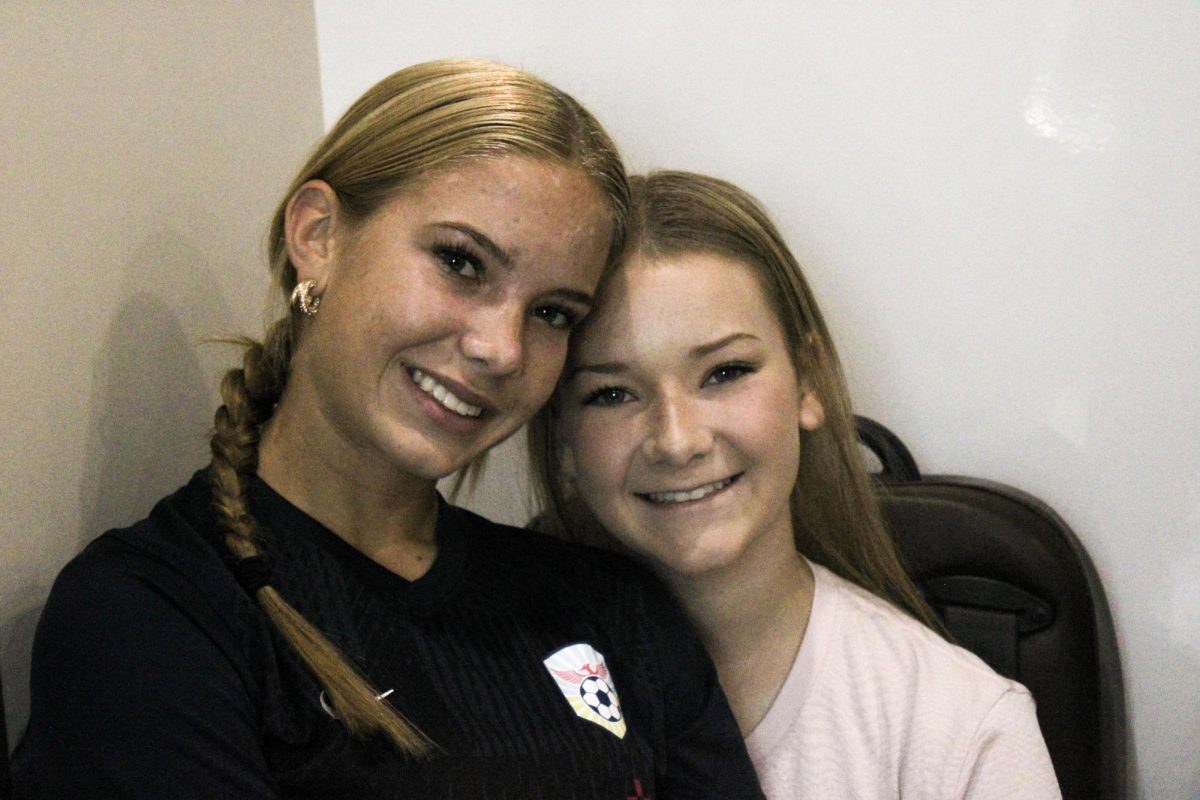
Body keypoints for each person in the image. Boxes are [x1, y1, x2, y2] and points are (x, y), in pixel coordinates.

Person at [12, 64, 764, 799]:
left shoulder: (610, 608)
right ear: (319, 234)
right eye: (461, 263)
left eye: (552, 313)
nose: (501, 349)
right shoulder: (153, 619)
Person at [529, 170, 1062, 798]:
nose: (677, 440)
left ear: (807, 381)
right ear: (560, 427)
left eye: (725, 372)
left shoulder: (961, 729)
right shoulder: (490, 678)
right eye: (612, 393)